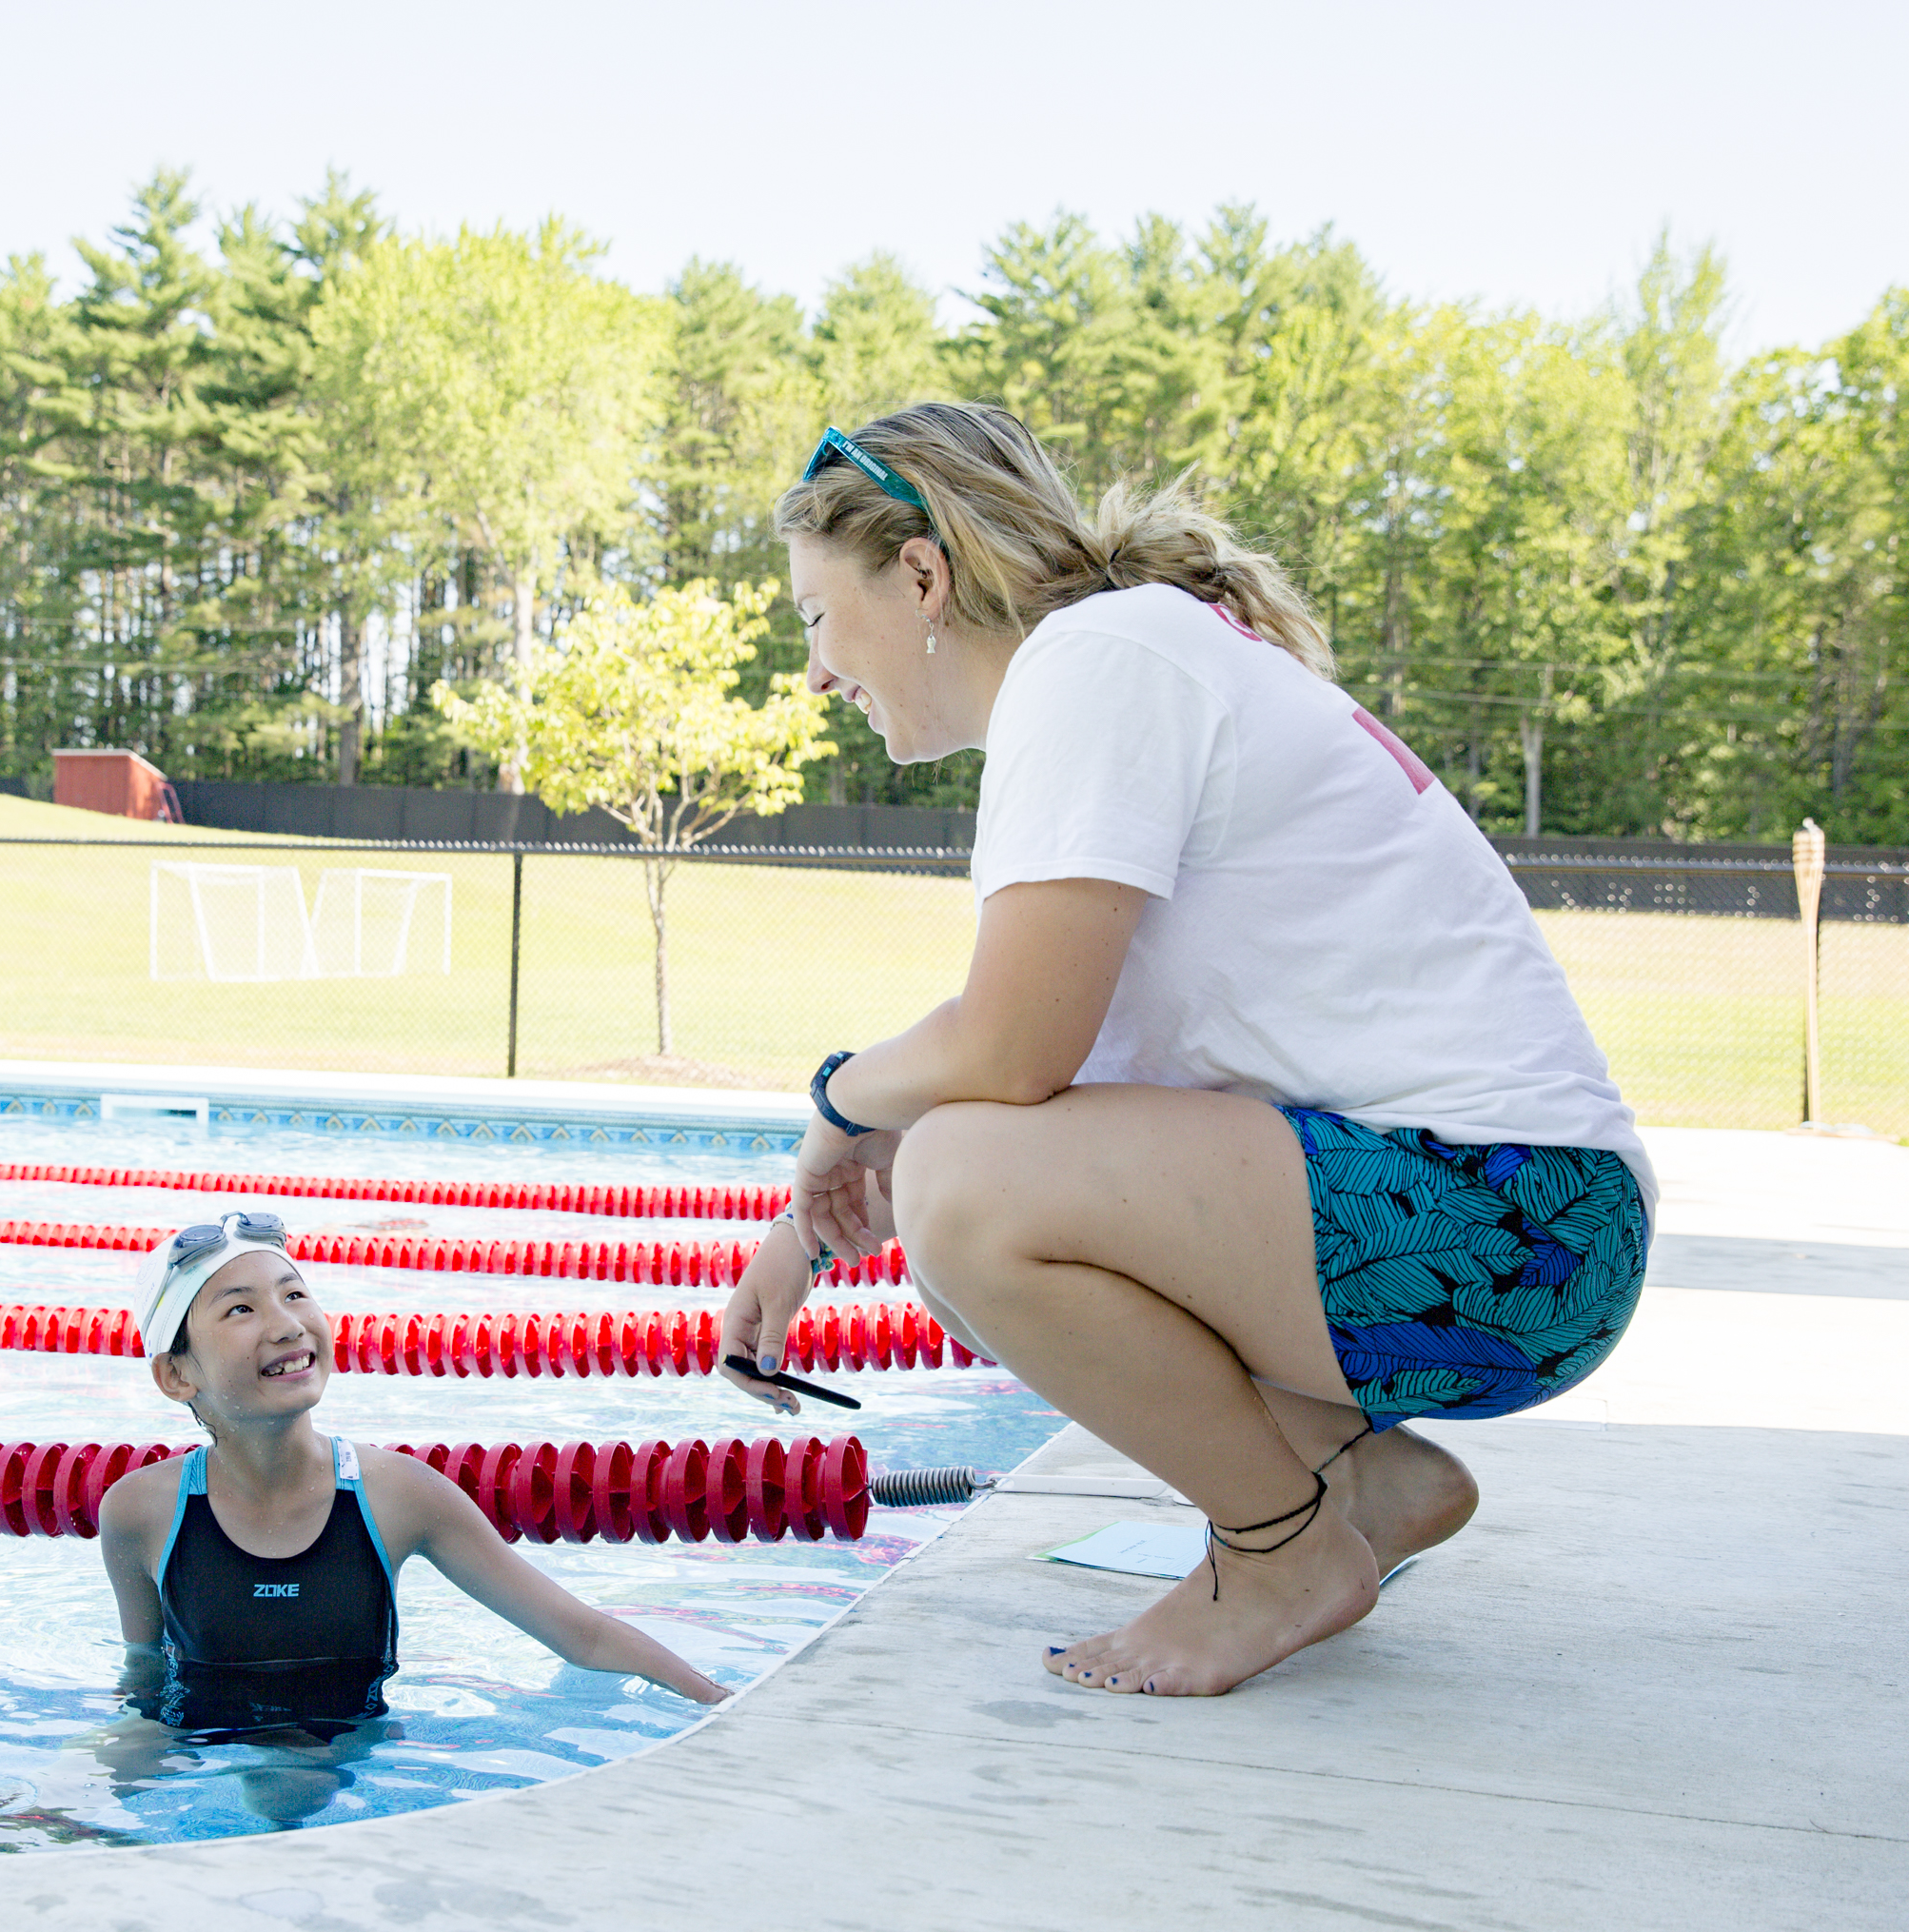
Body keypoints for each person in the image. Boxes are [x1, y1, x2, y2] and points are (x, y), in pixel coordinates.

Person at [720, 404, 1655, 1700]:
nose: (815, 671)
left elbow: (1006, 1046)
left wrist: (834, 1102)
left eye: (817, 619)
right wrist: (807, 1229)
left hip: (1517, 1225)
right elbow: (1027, 1091)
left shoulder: (1097, 663)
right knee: (957, 1186)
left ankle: (1279, 1550)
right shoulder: (1127, 661)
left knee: (962, 1187)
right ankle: (1354, 1478)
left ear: (923, 577)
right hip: (1524, 1236)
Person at [98, 1212, 733, 1734]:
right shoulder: (140, 1512)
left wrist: (720, 1704)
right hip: (192, 1743)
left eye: (295, 1294)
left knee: (294, 1784)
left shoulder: (401, 1495)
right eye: (240, 1310)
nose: (287, 1324)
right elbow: (144, 1676)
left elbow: (582, 1636)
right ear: (175, 1374)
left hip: (342, 1751)